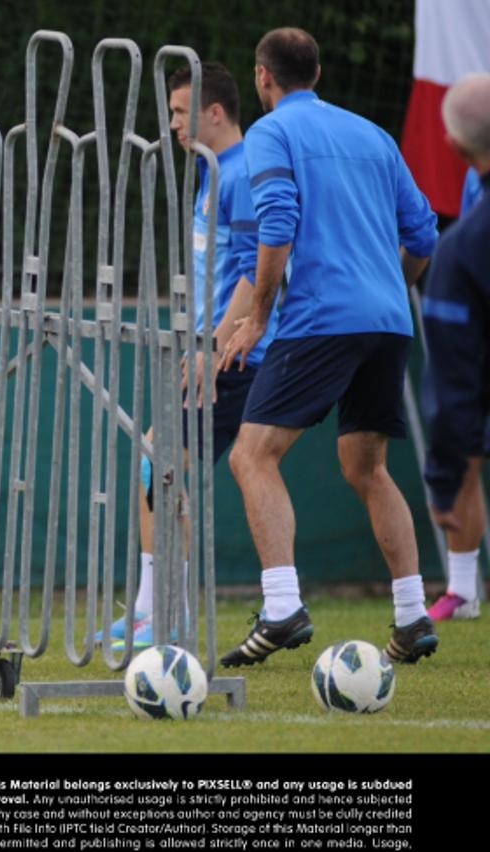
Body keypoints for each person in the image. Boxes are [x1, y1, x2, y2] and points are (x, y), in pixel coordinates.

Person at [218, 29, 440, 667]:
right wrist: (391, 292)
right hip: (389, 322)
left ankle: (282, 606)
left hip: (320, 318)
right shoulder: (373, 134)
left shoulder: (270, 134)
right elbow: (423, 233)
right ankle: (411, 615)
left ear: (264, 77)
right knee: (366, 468)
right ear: (315, 73)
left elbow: (279, 222)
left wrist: (258, 317)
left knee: (252, 456)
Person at [100, 62, 277, 652]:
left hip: (236, 357)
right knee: (158, 459)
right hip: (216, 351)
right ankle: (154, 607)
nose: (172, 125)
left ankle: (169, 612)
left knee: (161, 459)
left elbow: (255, 274)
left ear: (215, 112)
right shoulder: (211, 171)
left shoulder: (245, 170)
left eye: (180, 113)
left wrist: (214, 346)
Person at [423, 72, 490, 622]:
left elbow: (452, 381)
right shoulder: (467, 234)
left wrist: (439, 480)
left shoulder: (460, 250)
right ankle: (464, 588)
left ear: (455, 147)